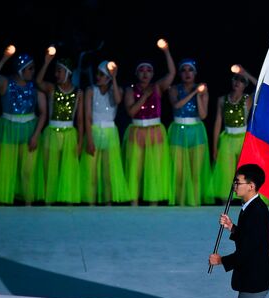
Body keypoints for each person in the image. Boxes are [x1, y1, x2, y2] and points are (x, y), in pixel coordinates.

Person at [209, 163, 269, 298]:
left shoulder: (256, 212)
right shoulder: (250, 208)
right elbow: (250, 238)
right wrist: (232, 227)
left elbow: (248, 251)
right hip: (256, 276)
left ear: (251, 185)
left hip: (255, 279)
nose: (234, 186)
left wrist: (221, 260)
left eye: (238, 182)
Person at [0, 46, 47, 204]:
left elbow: (43, 112)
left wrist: (35, 135)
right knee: (7, 171)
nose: (33, 71)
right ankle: (6, 205)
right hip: (9, 129)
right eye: (30, 68)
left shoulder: (34, 87)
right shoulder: (6, 82)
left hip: (29, 129)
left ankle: (28, 204)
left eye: (33, 68)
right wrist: (4, 58)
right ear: (21, 69)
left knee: (27, 171)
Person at [123, 39, 176, 205]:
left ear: (153, 73)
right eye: (141, 70)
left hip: (154, 130)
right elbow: (131, 111)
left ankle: (153, 202)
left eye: (148, 70)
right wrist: (144, 96)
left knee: (154, 168)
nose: (145, 74)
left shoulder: (158, 87)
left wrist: (166, 51)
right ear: (136, 73)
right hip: (137, 129)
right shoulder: (130, 90)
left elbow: (172, 74)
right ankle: (133, 201)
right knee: (135, 168)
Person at [36, 50, 83, 204]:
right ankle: (50, 202)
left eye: (59, 70)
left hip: (70, 133)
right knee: (51, 169)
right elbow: (38, 82)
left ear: (68, 72)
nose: (56, 74)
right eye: (55, 70)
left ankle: (67, 202)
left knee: (67, 170)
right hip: (52, 132)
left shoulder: (78, 92)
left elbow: (80, 119)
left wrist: (80, 141)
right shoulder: (51, 88)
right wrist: (47, 62)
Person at [80, 60, 129, 205]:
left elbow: (118, 101)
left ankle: (107, 204)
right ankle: (90, 203)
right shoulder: (90, 90)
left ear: (108, 77)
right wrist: (89, 139)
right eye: (97, 73)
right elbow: (87, 117)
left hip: (110, 133)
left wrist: (114, 78)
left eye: (102, 74)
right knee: (92, 173)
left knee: (108, 173)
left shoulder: (117, 90)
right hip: (94, 131)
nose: (98, 77)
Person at [167, 58, 213, 206]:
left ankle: (195, 203)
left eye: (190, 70)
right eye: (184, 70)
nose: (187, 73)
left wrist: (199, 95)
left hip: (196, 131)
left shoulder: (202, 90)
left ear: (195, 73)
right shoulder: (174, 89)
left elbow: (204, 115)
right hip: (178, 130)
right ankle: (180, 202)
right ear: (180, 73)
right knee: (179, 172)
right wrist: (194, 93)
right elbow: (176, 105)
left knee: (195, 171)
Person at [211, 65, 256, 202]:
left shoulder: (247, 99)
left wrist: (245, 73)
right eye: (236, 79)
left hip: (242, 138)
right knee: (226, 172)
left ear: (245, 85)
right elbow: (218, 122)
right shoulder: (222, 99)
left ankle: (246, 199)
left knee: (244, 171)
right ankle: (226, 201)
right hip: (227, 139)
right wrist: (215, 146)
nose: (237, 82)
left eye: (242, 81)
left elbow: (261, 88)